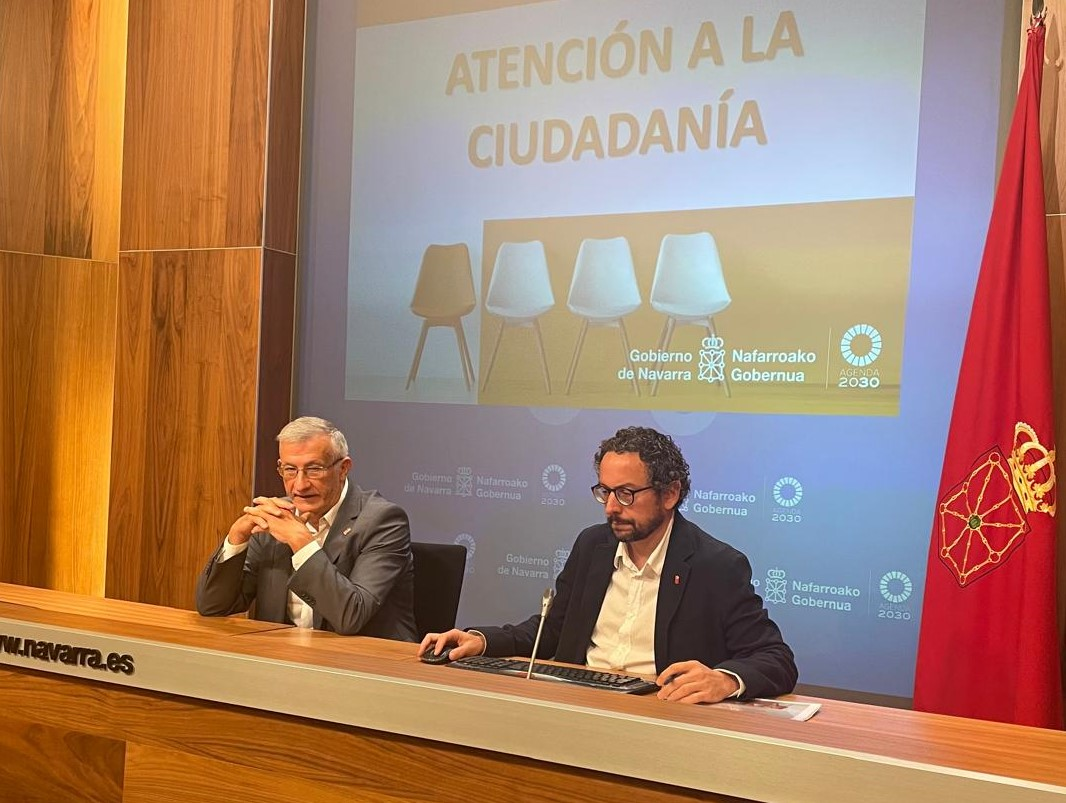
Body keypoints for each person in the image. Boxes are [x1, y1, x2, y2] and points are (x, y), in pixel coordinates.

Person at [420, 426, 797, 703]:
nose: (611, 507)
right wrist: (482, 640)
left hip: (658, 716)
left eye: (627, 494)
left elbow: (776, 659)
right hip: (577, 704)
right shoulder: (593, 545)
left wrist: (724, 680)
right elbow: (551, 630)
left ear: (670, 494)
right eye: (605, 491)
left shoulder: (715, 564)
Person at [196, 416, 417, 640]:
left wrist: (301, 543)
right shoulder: (276, 517)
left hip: (365, 665)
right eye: (290, 470)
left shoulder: (383, 520)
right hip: (282, 658)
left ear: (343, 469)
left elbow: (351, 615)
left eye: (314, 469)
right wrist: (236, 538)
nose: (300, 485)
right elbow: (213, 606)